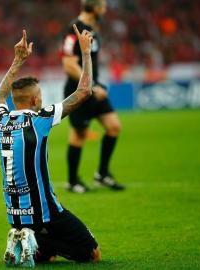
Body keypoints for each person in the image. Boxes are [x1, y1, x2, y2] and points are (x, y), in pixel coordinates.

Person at [0, 28, 100, 267]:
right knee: (92, 254)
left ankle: (27, 239)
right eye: (39, 95)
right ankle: (35, 239)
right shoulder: (40, 119)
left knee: (46, 258)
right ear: (33, 100)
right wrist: (86, 53)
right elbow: (84, 91)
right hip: (44, 211)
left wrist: (17, 61)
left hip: (15, 214)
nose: (41, 99)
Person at [61, 0, 125, 193]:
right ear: (95, 8)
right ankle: (72, 181)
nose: (105, 10)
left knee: (114, 127)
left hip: (94, 90)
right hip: (78, 92)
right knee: (78, 136)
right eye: (103, 7)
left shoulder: (91, 29)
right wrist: (92, 84)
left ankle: (102, 174)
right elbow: (68, 64)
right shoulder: (75, 29)